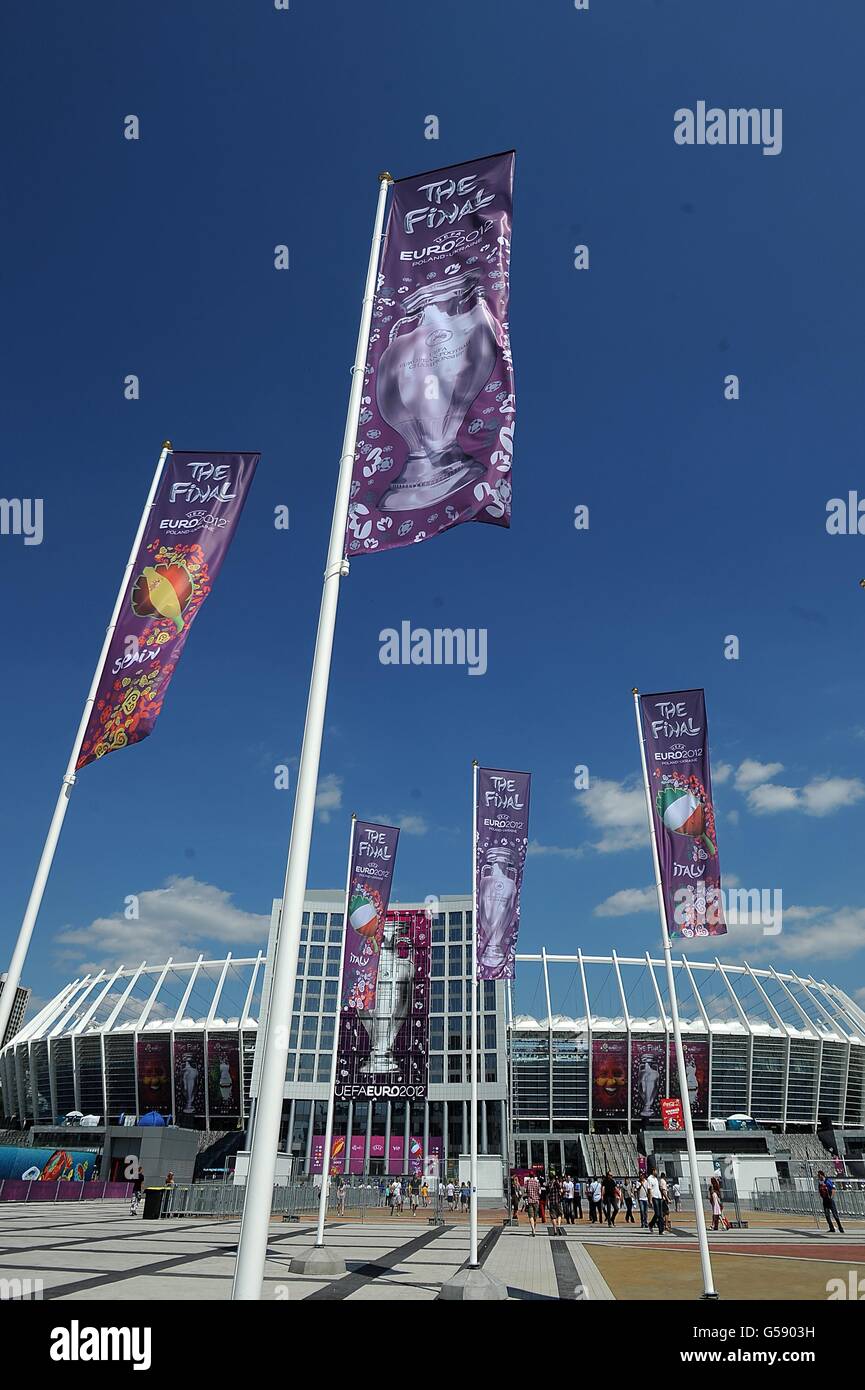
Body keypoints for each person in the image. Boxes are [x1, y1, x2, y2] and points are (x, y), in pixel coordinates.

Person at [524, 1171, 541, 1236]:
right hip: (536, 1201)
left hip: (529, 1201)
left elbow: (525, 1191)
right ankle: (534, 1229)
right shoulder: (537, 1182)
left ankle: (533, 1229)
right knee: (535, 1217)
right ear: (534, 1176)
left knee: (531, 1216)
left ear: (529, 1175)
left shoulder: (527, 1182)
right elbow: (539, 1192)